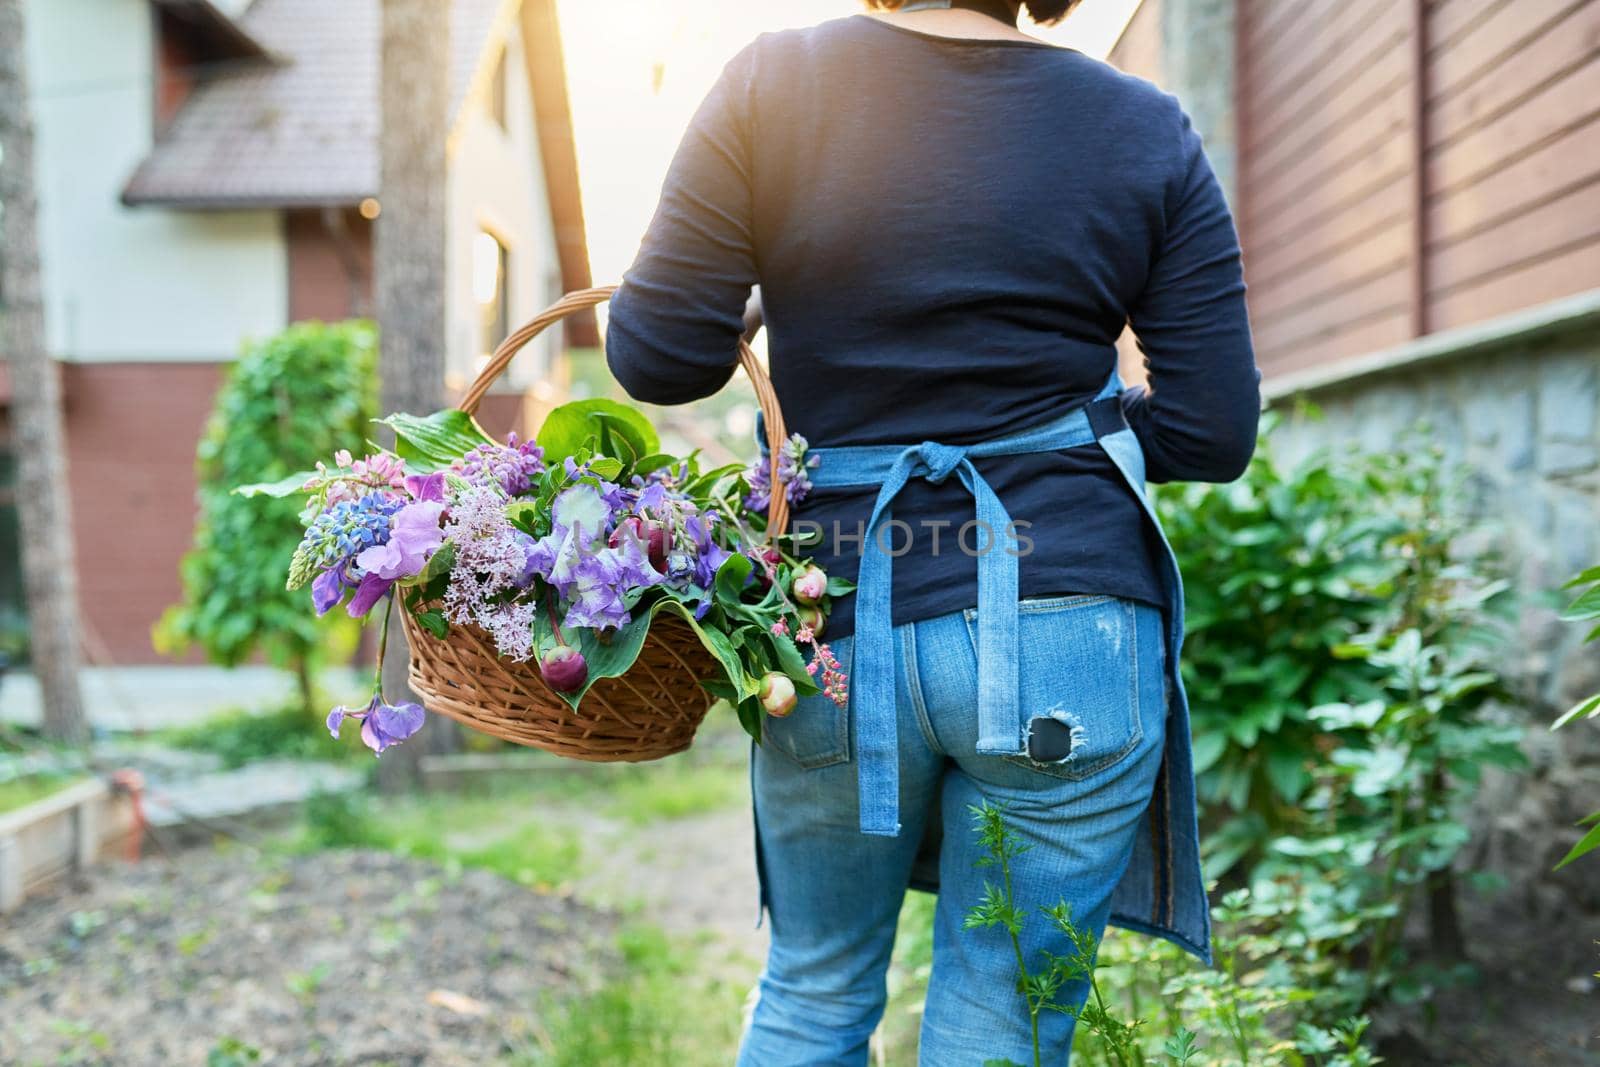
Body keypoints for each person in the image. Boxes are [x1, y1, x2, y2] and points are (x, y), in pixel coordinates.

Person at [604, 0, 1262, 1061]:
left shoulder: (772, 86)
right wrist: (1052, 442)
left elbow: (657, 356)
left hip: (835, 620)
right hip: (1071, 623)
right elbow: (1211, 428)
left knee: (813, 991)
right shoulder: (1142, 126)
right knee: (1003, 1018)